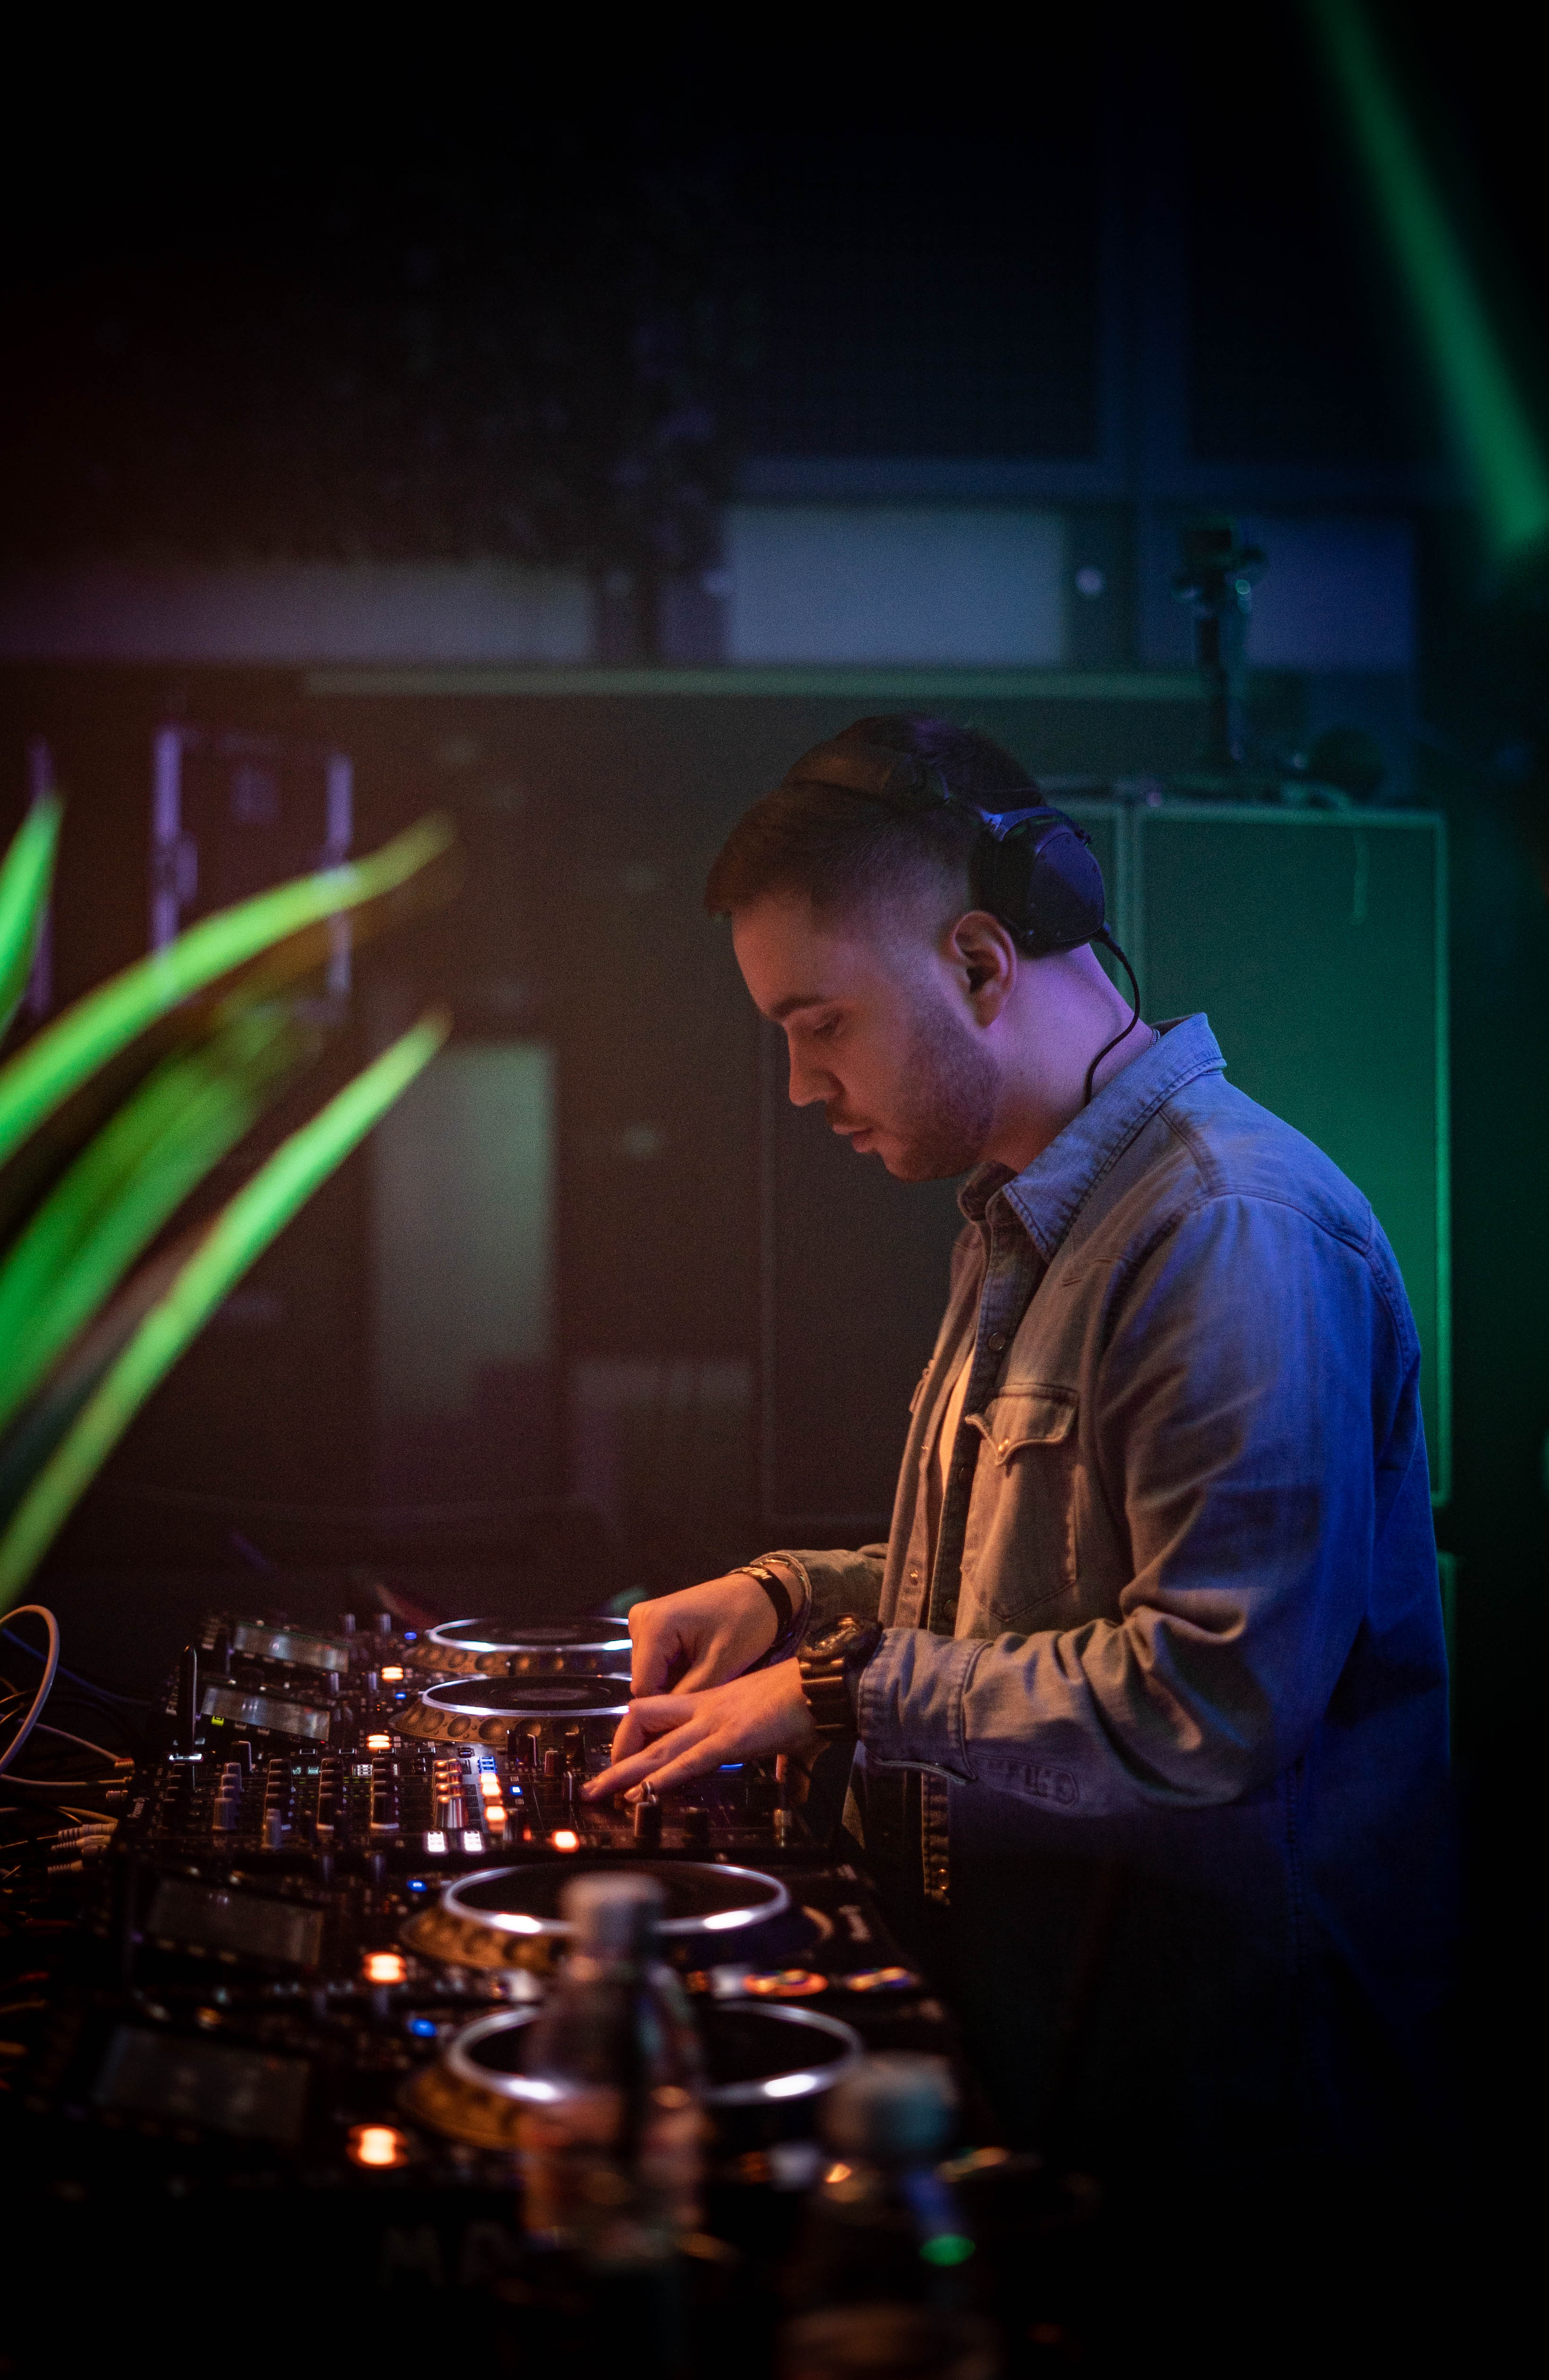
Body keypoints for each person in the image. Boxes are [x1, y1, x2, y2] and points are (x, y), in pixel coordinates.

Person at [583, 713, 1454, 2171]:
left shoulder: (1227, 1229)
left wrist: (846, 1687)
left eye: (820, 1025)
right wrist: (795, 1598)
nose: (802, 1089)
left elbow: (1208, 1698)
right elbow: (1027, 1593)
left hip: (1218, 2122)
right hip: (1065, 2055)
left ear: (982, 965)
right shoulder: (1029, 1221)